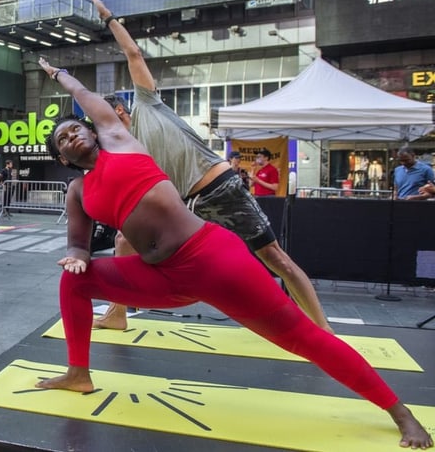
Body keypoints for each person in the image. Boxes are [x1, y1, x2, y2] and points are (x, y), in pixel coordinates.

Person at [34, 56, 431, 449]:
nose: (70, 136)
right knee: (74, 281)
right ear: (63, 158)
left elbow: (85, 95)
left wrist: (59, 74)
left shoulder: (120, 140)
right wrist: (78, 257)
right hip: (163, 277)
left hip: (213, 260)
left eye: (73, 128)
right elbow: (77, 243)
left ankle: (400, 413)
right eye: (62, 140)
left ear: (93, 128)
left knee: (301, 337)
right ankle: (78, 373)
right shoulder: (78, 192)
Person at [87, 0, 331, 333]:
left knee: (274, 258)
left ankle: (323, 329)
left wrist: (107, 16)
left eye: (98, 114)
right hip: (187, 205)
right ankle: (118, 312)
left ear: (118, 110)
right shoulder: (124, 149)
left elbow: (133, 53)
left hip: (218, 187)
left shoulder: (147, 103)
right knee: (123, 241)